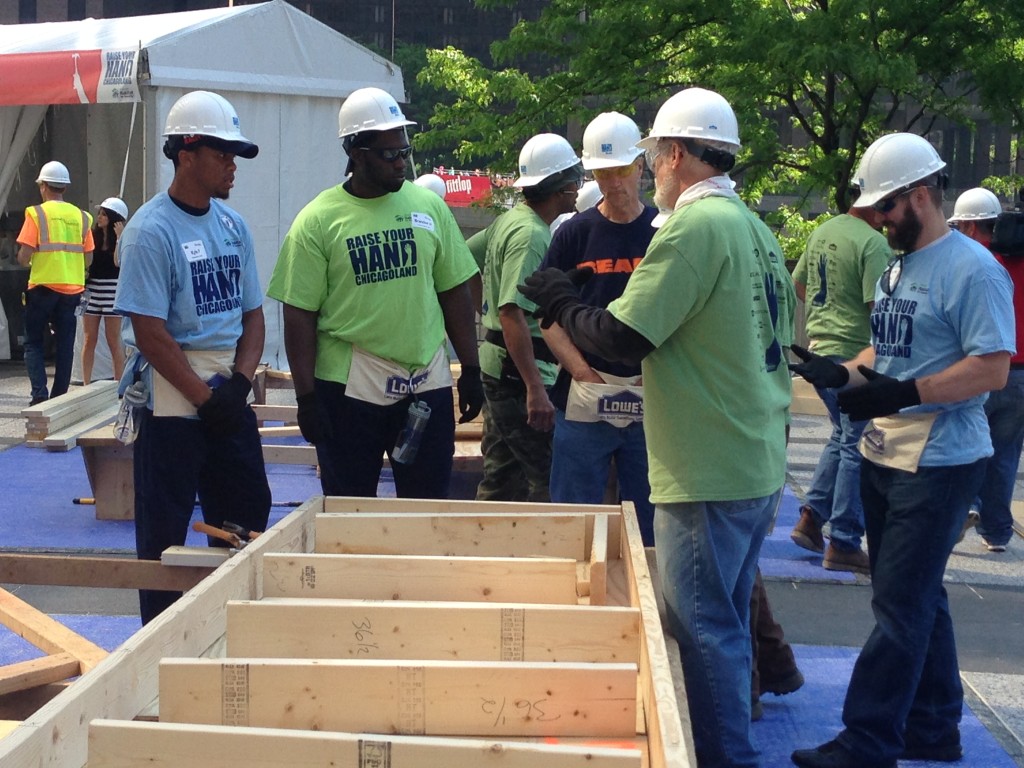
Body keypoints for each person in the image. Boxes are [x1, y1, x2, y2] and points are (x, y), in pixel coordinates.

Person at [521, 87, 795, 768]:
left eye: (651, 158)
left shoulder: (696, 227)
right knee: (722, 624)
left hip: (705, 462)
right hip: (751, 454)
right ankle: (730, 748)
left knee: (701, 632)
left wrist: (559, 296)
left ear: (671, 154)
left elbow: (619, 336)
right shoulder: (754, 228)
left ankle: (723, 758)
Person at [789, 134, 1014, 768]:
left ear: (921, 195)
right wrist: (841, 371)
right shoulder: (897, 267)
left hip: (943, 460)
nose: (879, 219)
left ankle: (868, 738)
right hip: (889, 453)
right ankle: (934, 729)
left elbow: (992, 368)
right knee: (917, 598)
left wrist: (904, 390)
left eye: (887, 206)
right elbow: (885, 355)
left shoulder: (973, 269)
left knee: (898, 604)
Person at [267, 87, 482, 499]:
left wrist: (470, 369)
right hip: (350, 390)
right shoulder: (318, 221)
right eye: (390, 154)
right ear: (357, 152)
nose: (401, 162)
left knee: (428, 511)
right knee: (351, 512)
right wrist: (307, 396)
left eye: (405, 151)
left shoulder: (429, 207)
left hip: (425, 382)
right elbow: (298, 314)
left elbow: (454, 289)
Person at [114, 90, 271, 624]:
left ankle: (225, 627)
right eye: (222, 153)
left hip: (225, 387)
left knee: (247, 514)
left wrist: (240, 384)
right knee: (164, 532)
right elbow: (151, 332)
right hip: (173, 403)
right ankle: (156, 641)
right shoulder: (150, 232)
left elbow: (254, 316)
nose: (232, 165)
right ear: (186, 153)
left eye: (234, 155)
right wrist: (207, 399)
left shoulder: (233, 227)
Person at [539, 111, 657, 544]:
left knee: (651, 523)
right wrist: (583, 374)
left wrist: (655, 373)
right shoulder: (575, 234)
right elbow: (547, 316)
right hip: (585, 393)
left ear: (641, 167)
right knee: (574, 519)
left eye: (622, 170)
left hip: (650, 391)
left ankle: (648, 601)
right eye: (603, 173)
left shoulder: (663, 232)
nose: (614, 183)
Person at [475, 132, 583, 502]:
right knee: (546, 477)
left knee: (502, 475)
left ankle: (485, 550)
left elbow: (465, 261)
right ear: (563, 188)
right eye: (574, 181)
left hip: (500, 366)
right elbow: (511, 313)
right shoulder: (532, 234)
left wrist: (483, 308)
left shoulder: (509, 221)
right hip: (517, 376)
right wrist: (536, 390)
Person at [789, 197, 892, 574]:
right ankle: (845, 540)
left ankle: (812, 519)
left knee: (843, 439)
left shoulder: (824, 230)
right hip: (855, 355)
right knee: (858, 446)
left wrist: (828, 309)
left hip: (820, 349)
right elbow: (878, 309)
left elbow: (799, 284)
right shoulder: (872, 243)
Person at [949, 187, 1019, 553]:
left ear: (972, 227)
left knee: (968, 444)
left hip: (981, 366)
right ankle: (997, 532)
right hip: (1020, 375)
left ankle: (963, 509)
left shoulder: (977, 263)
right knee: (1005, 455)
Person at [16, 160, 93, 405]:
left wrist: (27, 262)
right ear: (65, 188)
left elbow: (25, 255)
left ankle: (39, 396)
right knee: (65, 344)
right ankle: (59, 399)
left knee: (34, 342)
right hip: (72, 290)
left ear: (43, 186)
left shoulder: (36, 214)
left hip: (42, 287)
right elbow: (88, 257)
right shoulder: (82, 217)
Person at [82, 197, 129, 385]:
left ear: (112, 218)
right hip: (92, 290)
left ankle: (120, 383)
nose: (99, 218)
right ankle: (86, 383)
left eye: (103, 214)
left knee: (113, 339)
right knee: (89, 339)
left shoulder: (122, 238)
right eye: (99, 214)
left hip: (112, 289)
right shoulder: (92, 237)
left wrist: (119, 238)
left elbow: (119, 262)